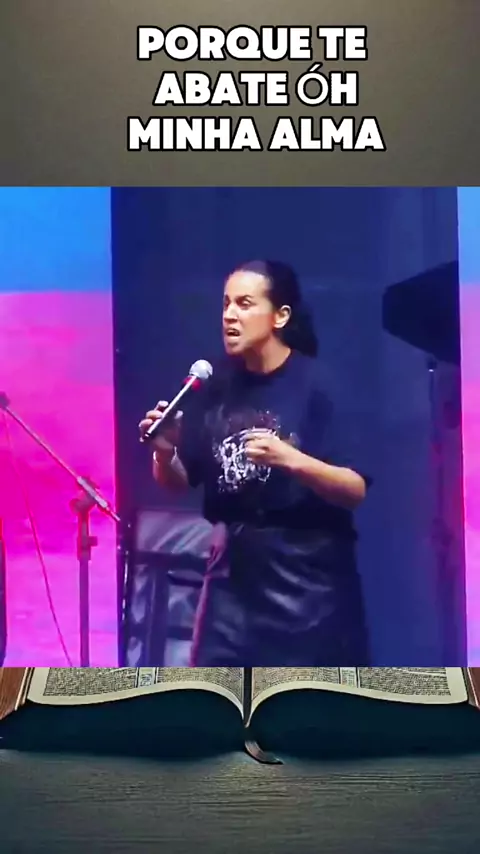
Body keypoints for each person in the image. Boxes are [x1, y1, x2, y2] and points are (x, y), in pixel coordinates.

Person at [139, 260, 372, 666]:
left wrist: (292, 460)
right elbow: (179, 481)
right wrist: (164, 451)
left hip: (308, 587)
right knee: (215, 697)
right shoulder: (215, 386)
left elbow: (354, 489)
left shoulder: (317, 385)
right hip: (230, 586)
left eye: (245, 304)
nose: (230, 315)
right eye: (226, 304)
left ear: (280, 316)